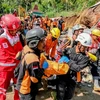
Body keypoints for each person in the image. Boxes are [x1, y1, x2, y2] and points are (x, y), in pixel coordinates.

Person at [56, 33, 92, 100]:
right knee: (60, 95)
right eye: (84, 46)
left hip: (72, 78)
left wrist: (68, 61)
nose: (85, 49)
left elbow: (78, 68)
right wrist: (61, 51)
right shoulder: (69, 50)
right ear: (79, 44)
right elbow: (60, 56)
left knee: (69, 96)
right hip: (62, 76)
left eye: (87, 47)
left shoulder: (84, 58)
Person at [15, 27, 47, 100]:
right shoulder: (32, 58)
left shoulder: (26, 48)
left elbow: (17, 56)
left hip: (21, 84)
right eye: (42, 41)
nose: (44, 43)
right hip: (27, 89)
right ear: (34, 42)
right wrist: (44, 70)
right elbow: (35, 78)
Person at [0, 14, 23, 100]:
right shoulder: (2, 38)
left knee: (18, 87)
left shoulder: (16, 35)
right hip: (5, 68)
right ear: (6, 28)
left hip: (15, 66)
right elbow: (12, 53)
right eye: (11, 31)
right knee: (2, 89)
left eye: (15, 30)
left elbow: (20, 48)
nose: (13, 32)